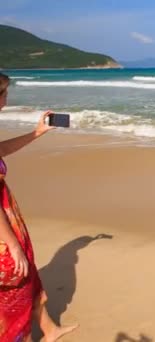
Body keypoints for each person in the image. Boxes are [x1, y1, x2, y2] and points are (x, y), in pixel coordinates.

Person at [0, 73, 78, 341]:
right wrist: (10, 241)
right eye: (3, 93)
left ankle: (49, 330)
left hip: (8, 217)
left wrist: (37, 133)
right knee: (14, 282)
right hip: (2, 228)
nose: (6, 98)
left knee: (28, 273)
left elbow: (0, 150)